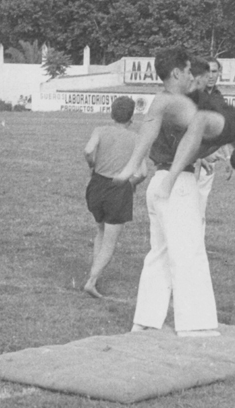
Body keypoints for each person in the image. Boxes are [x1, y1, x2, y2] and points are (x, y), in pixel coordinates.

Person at [115, 48, 221, 337]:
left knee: (160, 253)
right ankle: (196, 324)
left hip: (159, 180)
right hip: (178, 184)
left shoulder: (161, 101)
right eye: (187, 71)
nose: (191, 76)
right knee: (189, 251)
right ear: (176, 73)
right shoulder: (178, 104)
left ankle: (146, 320)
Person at [83, 96, 147, 298]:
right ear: (131, 117)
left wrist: (92, 164)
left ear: (112, 113)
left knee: (100, 230)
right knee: (109, 241)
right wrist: (131, 183)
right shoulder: (136, 138)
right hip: (118, 189)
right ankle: (92, 281)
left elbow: (88, 150)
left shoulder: (100, 130)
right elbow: (143, 173)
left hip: (96, 185)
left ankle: (95, 276)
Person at [188, 56, 230, 229]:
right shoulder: (193, 95)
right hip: (190, 158)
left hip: (210, 158)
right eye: (208, 72)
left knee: (201, 205)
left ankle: (198, 242)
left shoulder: (219, 98)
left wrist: (227, 157)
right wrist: (200, 157)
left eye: (214, 71)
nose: (211, 76)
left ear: (219, 73)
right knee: (187, 205)